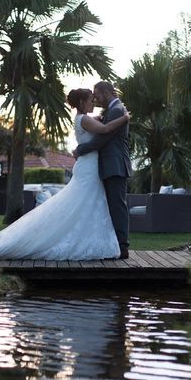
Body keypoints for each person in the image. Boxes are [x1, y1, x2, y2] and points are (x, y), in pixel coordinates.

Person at [0, 88, 130, 260]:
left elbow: (100, 123)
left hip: (90, 167)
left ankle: (90, 239)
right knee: (81, 203)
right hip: (89, 168)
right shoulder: (85, 119)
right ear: (81, 103)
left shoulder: (84, 118)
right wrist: (124, 118)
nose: (94, 102)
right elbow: (106, 129)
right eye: (90, 100)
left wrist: (102, 118)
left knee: (87, 205)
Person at [72, 81, 132, 259]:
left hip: (115, 165)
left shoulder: (116, 110)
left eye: (97, 96)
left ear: (106, 92)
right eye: (92, 98)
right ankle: (116, 245)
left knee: (117, 206)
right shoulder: (114, 111)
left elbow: (103, 138)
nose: (96, 100)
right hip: (108, 165)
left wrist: (80, 150)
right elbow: (102, 130)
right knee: (111, 206)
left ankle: (122, 247)